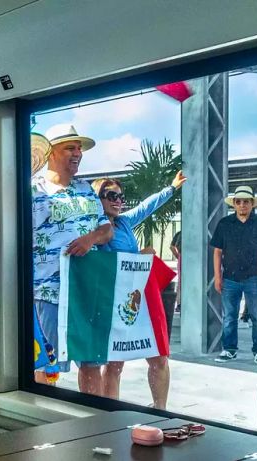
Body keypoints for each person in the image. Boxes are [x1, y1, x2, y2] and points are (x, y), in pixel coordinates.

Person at [91, 170, 186, 410]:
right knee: (114, 364)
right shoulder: (92, 227)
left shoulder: (123, 221)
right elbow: (101, 263)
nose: (117, 201)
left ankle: (160, 409)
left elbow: (146, 207)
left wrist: (171, 188)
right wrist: (139, 255)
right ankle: (109, 414)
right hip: (114, 301)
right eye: (110, 195)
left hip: (141, 297)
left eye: (121, 197)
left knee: (159, 357)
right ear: (96, 197)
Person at [33, 125, 113, 396]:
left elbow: (106, 230)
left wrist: (90, 239)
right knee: (47, 364)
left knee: (91, 362)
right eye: (70, 147)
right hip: (49, 293)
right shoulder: (34, 190)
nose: (78, 153)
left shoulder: (87, 189)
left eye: (79, 148)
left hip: (86, 291)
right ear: (50, 153)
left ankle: (93, 419)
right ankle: (43, 424)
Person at [212, 186, 257, 367]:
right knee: (229, 316)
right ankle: (229, 350)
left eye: (246, 202)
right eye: (239, 201)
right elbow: (217, 252)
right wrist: (218, 277)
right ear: (234, 204)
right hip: (230, 279)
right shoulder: (224, 224)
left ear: (252, 204)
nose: (242, 205)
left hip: (255, 278)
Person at [170, 230, 181, 313]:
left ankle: (179, 304)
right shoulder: (181, 233)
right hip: (183, 256)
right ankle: (180, 304)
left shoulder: (180, 233)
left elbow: (172, 246)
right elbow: (174, 246)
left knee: (181, 282)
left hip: (182, 256)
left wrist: (177, 256)